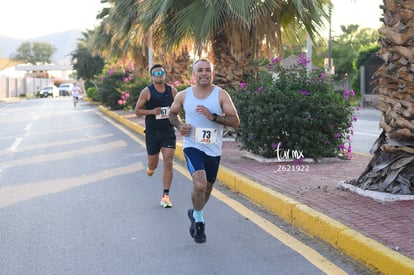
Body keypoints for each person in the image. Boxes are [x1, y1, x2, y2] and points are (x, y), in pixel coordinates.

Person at [168, 59, 240, 243]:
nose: (204, 73)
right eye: (200, 70)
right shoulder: (184, 95)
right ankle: (199, 222)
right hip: (193, 145)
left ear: (212, 74)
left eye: (208, 70)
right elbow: (172, 113)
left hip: (213, 149)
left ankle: (195, 212)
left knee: (207, 189)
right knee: (199, 184)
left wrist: (213, 117)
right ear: (194, 74)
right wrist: (179, 126)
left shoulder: (221, 95)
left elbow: (235, 120)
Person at [135, 64, 177, 208]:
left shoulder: (172, 91)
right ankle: (150, 167)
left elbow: (178, 107)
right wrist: (152, 111)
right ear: (152, 77)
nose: (159, 75)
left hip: (168, 131)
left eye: (161, 72)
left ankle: (166, 195)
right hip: (153, 132)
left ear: (164, 75)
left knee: (168, 161)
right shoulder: (147, 92)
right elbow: (137, 111)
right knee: (154, 164)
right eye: (155, 73)